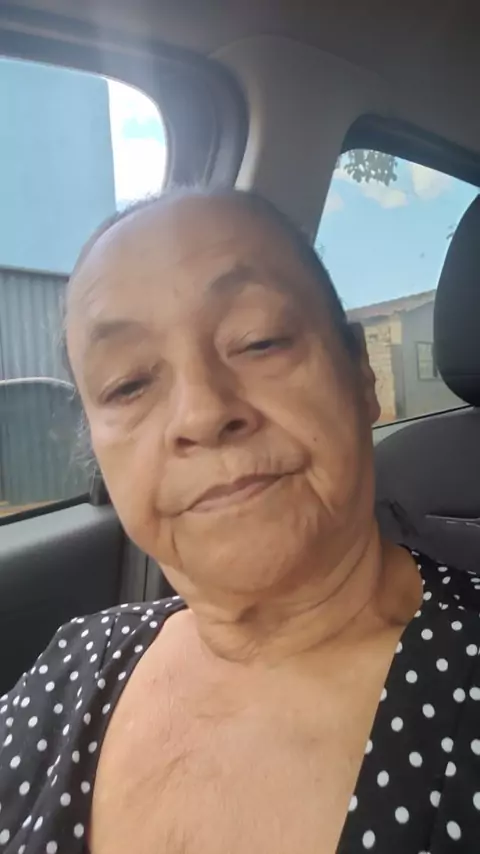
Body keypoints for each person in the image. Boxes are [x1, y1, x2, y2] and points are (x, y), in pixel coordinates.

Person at [1, 187, 480, 854]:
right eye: (128, 384)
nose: (202, 413)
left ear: (361, 374)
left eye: (260, 341)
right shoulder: (71, 668)